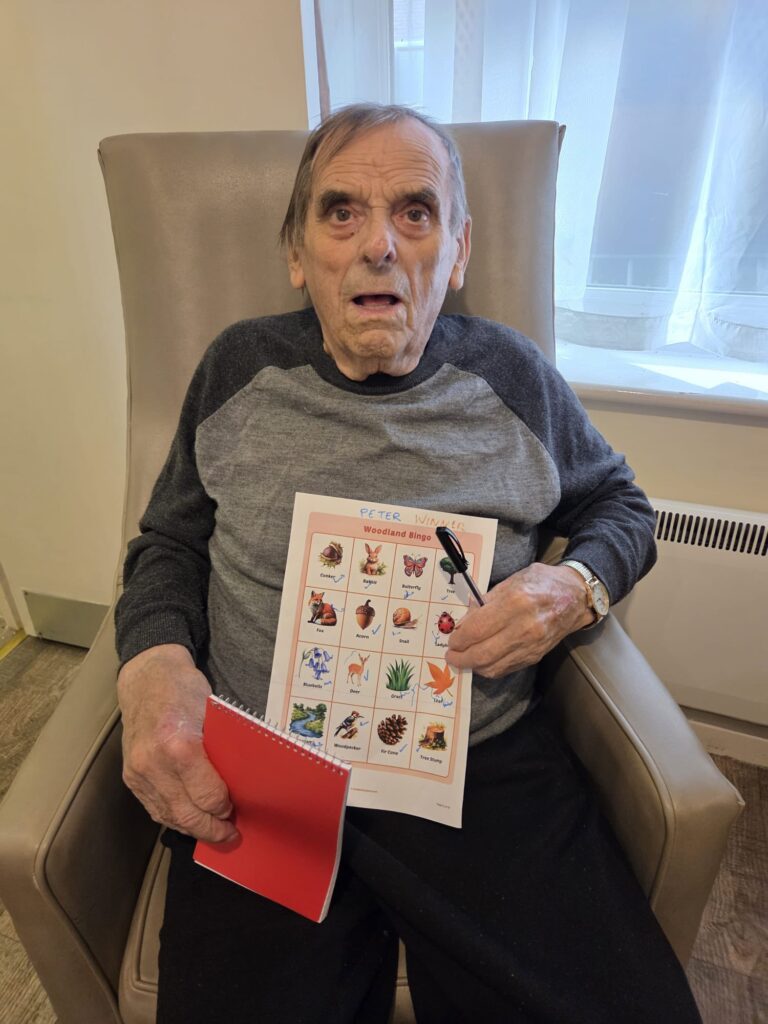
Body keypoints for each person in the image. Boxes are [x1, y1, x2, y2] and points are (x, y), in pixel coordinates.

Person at [115, 103, 702, 1024]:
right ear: (298, 253)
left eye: (415, 212)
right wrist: (151, 661)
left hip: (476, 770)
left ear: (457, 251)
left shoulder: (512, 377)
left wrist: (572, 587)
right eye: (341, 212)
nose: (379, 245)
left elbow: (620, 507)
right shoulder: (238, 368)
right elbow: (169, 542)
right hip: (265, 776)